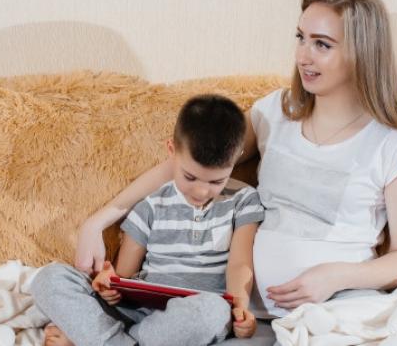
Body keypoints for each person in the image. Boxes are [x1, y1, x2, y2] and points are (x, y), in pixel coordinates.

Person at [75, 0, 397, 344]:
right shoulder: (275, 113)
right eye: (301, 37)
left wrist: (335, 277)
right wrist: (97, 222)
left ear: (362, 53)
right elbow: (192, 162)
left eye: (322, 44)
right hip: (250, 316)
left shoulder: (392, 147)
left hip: (334, 310)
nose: (303, 56)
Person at [31, 94, 265, 346]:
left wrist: (240, 307)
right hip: (138, 311)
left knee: (210, 311)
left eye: (215, 182)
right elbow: (125, 276)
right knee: (49, 279)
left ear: (237, 157)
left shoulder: (244, 200)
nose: (200, 191)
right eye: (190, 177)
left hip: (192, 317)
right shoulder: (150, 203)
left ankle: (96, 339)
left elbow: (240, 263)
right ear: (172, 151)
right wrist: (110, 287)